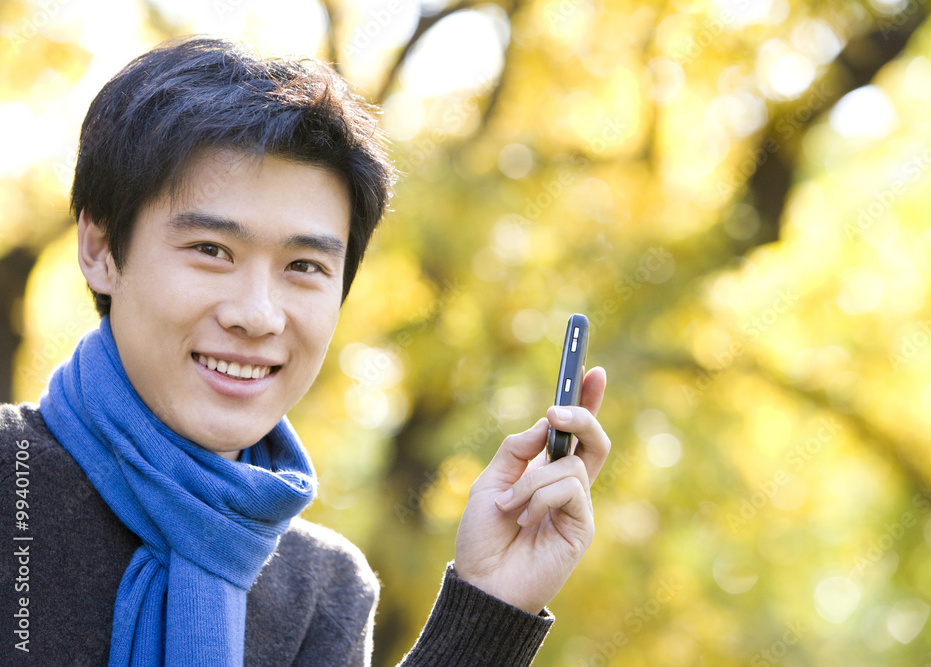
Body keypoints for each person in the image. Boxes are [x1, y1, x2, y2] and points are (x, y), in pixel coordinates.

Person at [0, 36, 611, 666]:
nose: (258, 315)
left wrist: (490, 604)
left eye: (303, 265)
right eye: (212, 250)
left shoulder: (323, 590)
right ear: (100, 249)